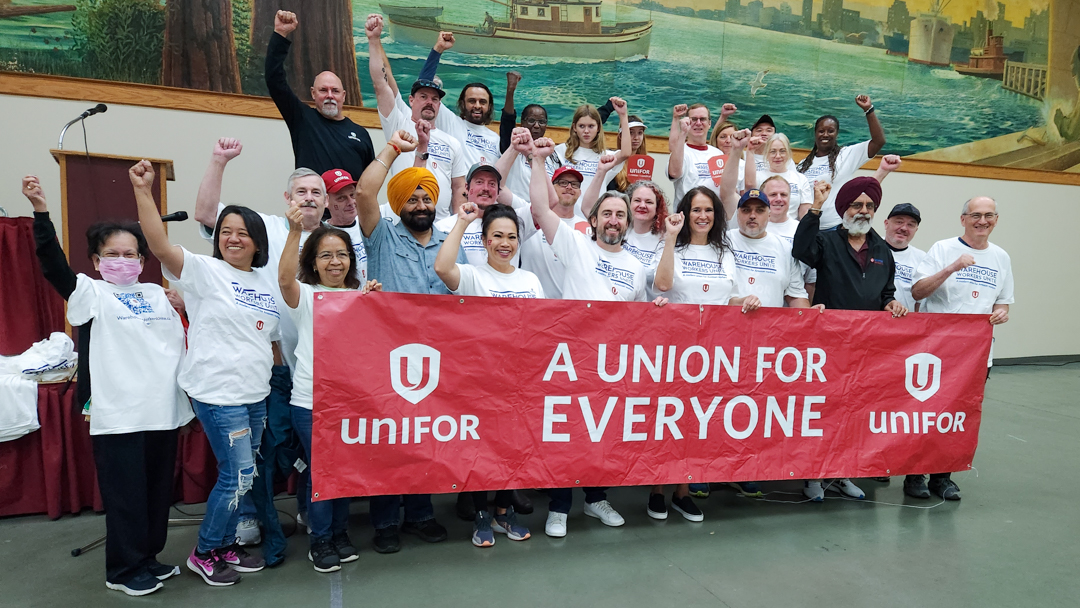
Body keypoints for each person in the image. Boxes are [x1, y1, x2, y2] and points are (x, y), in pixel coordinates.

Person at [23, 176, 192, 597]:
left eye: (130, 254)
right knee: (127, 497)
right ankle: (122, 569)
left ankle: (148, 557)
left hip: (163, 411)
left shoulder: (157, 293)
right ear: (96, 261)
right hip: (119, 414)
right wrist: (42, 212)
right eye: (112, 254)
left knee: (156, 493)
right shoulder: (89, 293)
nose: (122, 260)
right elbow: (52, 265)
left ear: (141, 258)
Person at [132, 160, 277, 586]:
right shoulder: (204, 271)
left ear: (256, 242)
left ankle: (225, 542)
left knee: (244, 474)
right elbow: (159, 245)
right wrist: (143, 191)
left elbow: (264, 338)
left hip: (254, 393)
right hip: (218, 392)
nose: (232, 238)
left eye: (242, 232)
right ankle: (205, 551)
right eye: (225, 231)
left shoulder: (264, 282)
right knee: (238, 475)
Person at [529, 136, 667, 536]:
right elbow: (540, 207)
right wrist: (538, 161)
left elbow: (639, 316)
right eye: (606, 213)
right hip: (572, 359)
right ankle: (558, 507)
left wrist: (654, 313)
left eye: (619, 215)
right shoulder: (574, 244)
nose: (613, 220)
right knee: (566, 433)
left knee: (602, 433)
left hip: (612, 365)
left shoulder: (636, 266)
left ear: (627, 222)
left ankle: (594, 498)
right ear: (594, 219)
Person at [355, 129, 460, 552]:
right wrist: (394, 148)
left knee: (423, 438)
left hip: (435, 359)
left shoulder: (447, 244)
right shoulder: (381, 233)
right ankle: (384, 524)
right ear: (401, 204)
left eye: (427, 199)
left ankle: (420, 514)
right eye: (413, 199)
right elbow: (364, 193)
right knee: (388, 441)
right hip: (387, 357)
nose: (421, 206)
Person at [793, 175, 908, 501]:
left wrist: (891, 303)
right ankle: (813, 477)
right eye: (857, 204)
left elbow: (886, 292)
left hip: (865, 350)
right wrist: (816, 207)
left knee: (854, 414)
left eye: (869, 206)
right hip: (827, 347)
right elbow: (800, 249)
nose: (863, 210)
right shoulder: (827, 242)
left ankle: (844, 473)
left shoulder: (883, 250)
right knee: (823, 413)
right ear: (844, 208)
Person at [435, 201, 542, 546]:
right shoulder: (472, 276)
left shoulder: (530, 280)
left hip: (520, 384)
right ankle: (481, 514)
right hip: (480, 383)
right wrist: (463, 222)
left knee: (512, 451)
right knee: (481, 451)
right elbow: (442, 267)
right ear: (484, 240)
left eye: (511, 236)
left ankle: (503, 513)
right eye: (497, 235)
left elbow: (542, 330)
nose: (505, 243)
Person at [278, 204, 377, 572]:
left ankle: (338, 533)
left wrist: (377, 305)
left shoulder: (362, 297)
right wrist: (293, 231)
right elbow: (285, 281)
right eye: (326, 256)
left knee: (345, 471)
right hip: (311, 403)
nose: (335, 262)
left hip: (352, 404)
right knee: (324, 472)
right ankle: (320, 541)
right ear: (314, 262)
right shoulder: (306, 296)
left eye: (341, 255)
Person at [652, 186, 761, 508]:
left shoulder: (725, 253)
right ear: (686, 214)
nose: (703, 216)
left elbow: (730, 296)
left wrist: (747, 299)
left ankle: (683, 492)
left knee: (698, 421)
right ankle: (656, 491)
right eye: (696, 210)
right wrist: (671, 237)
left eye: (709, 210)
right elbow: (662, 285)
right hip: (676, 348)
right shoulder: (672, 244)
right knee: (669, 420)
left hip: (714, 351)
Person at [910, 196, 1013, 501]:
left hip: (976, 355)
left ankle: (943, 477)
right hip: (938, 351)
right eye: (976, 215)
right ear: (963, 219)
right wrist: (952, 268)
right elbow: (918, 291)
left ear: (996, 219)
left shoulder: (1001, 257)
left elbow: (1003, 301)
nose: (983, 221)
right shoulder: (943, 249)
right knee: (926, 413)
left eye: (989, 216)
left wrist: (1002, 313)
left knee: (957, 416)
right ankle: (915, 475)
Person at [365, 14, 467, 220]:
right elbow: (381, 84)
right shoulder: (398, 123)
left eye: (435, 99)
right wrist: (374, 40)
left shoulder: (452, 143)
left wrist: (458, 229)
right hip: (402, 223)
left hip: (441, 229)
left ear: (439, 105)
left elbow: (458, 189)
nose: (430, 101)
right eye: (423, 96)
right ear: (411, 100)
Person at [266, 10, 374, 179]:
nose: (330, 95)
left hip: (349, 205)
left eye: (335, 91)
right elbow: (274, 80)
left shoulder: (361, 134)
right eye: (323, 90)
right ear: (313, 94)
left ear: (343, 96)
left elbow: (369, 184)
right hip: (312, 204)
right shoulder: (302, 119)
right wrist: (280, 34)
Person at [796, 94, 886, 230]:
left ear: (837, 134)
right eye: (821, 131)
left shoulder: (846, 155)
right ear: (815, 134)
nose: (825, 134)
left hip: (836, 229)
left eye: (830, 131)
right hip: (807, 228)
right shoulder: (802, 165)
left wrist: (869, 110)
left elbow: (879, 141)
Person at [419, 30, 504, 169]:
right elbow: (423, 85)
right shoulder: (451, 123)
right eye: (472, 101)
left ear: (489, 106)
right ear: (462, 104)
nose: (477, 106)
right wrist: (438, 49)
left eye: (482, 102)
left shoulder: (496, 139)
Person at [667, 103, 751, 215]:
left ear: (709, 123)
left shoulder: (717, 153)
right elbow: (674, 173)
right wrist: (683, 132)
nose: (698, 123)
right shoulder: (680, 152)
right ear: (687, 121)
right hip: (687, 219)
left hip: (715, 219)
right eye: (694, 119)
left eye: (702, 119)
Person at [555, 100, 633, 212]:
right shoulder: (562, 151)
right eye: (581, 126)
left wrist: (623, 115)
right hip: (565, 217)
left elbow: (626, 153)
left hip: (593, 219)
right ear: (574, 128)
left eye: (591, 126)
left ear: (598, 128)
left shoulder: (605, 156)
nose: (586, 131)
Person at [497, 71, 560, 200]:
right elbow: (507, 122)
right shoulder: (515, 147)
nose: (536, 126)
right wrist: (510, 91)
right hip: (515, 211)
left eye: (541, 122)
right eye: (531, 121)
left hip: (542, 213)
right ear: (522, 123)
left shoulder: (553, 155)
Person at [321, 168, 369, 282]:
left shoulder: (369, 225)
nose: (351, 202)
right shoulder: (321, 235)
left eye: (352, 195)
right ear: (325, 201)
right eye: (341, 198)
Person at [882, 202, 925, 313]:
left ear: (916, 230)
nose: (904, 228)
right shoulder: (870, 248)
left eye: (911, 225)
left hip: (905, 323)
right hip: (873, 320)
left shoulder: (922, 258)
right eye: (899, 222)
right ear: (886, 224)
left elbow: (920, 301)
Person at [760, 133, 813, 219]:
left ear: (788, 153)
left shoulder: (801, 179)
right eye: (773, 151)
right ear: (766, 154)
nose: (778, 156)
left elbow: (805, 213)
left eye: (782, 151)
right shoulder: (758, 177)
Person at [621, 179, 668, 269]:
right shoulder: (620, 229)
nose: (642, 205)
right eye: (637, 200)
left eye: (649, 202)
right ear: (629, 204)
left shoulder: (665, 238)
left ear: (657, 208)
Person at [606, 115, 649, 192]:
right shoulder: (611, 158)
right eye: (631, 133)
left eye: (640, 133)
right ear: (621, 136)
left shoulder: (645, 163)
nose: (636, 137)